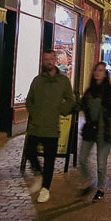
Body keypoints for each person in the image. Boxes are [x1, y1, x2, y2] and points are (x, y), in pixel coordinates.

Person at [24, 50, 78, 203]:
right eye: (46, 59)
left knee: (49, 160)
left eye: (51, 59)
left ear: (55, 60)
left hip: (52, 128)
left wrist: (61, 110)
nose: (48, 61)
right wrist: (35, 113)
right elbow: (29, 100)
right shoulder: (37, 80)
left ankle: (45, 189)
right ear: (43, 60)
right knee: (30, 152)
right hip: (36, 126)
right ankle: (39, 175)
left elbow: (70, 100)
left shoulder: (63, 81)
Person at [77, 62, 111, 202]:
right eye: (96, 70)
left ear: (105, 73)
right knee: (82, 158)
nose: (97, 73)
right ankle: (88, 180)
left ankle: (100, 189)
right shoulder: (90, 91)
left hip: (104, 131)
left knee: (101, 163)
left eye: (101, 70)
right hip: (90, 130)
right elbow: (80, 105)